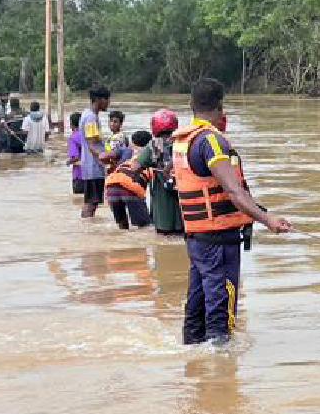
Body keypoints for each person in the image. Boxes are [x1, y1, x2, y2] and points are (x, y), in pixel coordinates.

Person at [173, 78, 290, 345]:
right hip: (218, 241)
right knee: (221, 302)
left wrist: (261, 213)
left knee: (198, 301)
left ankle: (194, 358)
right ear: (220, 106)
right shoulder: (211, 142)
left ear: (192, 105)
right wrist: (267, 219)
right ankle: (219, 369)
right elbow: (234, 192)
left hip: (197, 239)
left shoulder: (183, 141)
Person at [104, 130, 155, 230]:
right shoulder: (149, 155)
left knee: (122, 227)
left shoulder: (127, 150)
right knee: (144, 227)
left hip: (111, 186)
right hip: (130, 186)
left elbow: (103, 156)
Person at [76, 87, 114, 219]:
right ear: (98, 100)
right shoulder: (91, 118)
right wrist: (106, 157)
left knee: (92, 201)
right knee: (92, 202)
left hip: (91, 166)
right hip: (93, 167)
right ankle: (86, 227)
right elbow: (92, 144)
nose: (108, 102)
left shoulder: (88, 115)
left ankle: (87, 227)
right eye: (106, 99)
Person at [146, 109, 184, 237]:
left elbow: (135, 167)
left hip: (163, 215)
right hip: (184, 209)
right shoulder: (182, 143)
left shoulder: (153, 146)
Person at [65, 111, 86, 196]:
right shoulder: (88, 135)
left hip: (79, 175)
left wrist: (68, 162)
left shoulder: (73, 138)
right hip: (91, 175)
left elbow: (75, 157)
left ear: (71, 124)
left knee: (78, 202)